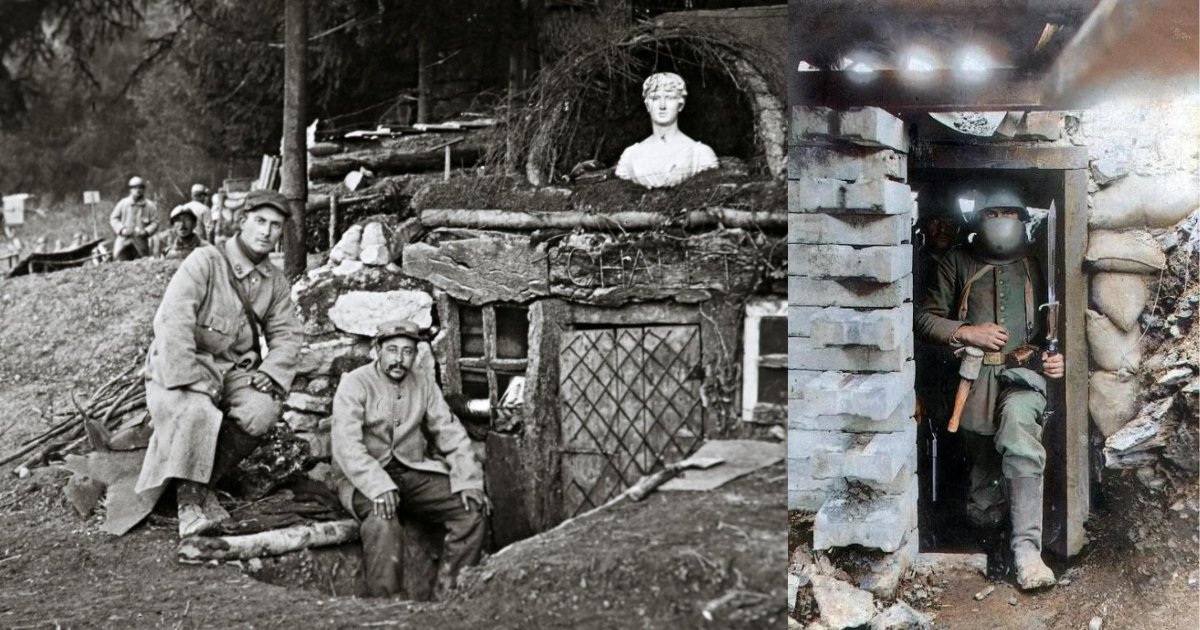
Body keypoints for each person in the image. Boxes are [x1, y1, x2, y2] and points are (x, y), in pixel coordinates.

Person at [916, 188, 1064, 591]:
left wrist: (1057, 358)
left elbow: (1061, 327)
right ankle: (992, 535)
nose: (1000, 220)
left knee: (1019, 437)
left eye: (1009, 213)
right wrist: (968, 331)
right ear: (977, 221)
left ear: (1022, 220)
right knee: (982, 497)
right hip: (973, 381)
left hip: (1023, 377)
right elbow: (925, 320)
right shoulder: (957, 262)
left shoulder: (1038, 265)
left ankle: (1027, 551)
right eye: (991, 213)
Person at [133, 189, 302, 538]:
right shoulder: (205, 261)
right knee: (197, 410)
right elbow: (173, 321)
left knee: (261, 411)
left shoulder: (275, 281)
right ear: (242, 222)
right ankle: (189, 508)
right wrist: (189, 379)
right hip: (180, 365)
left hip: (231, 371)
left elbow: (287, 335)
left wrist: (271, 372)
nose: (266, 232)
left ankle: (202, 483)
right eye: (259, 221)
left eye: (275, 225)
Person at [331, 320, 488, 597]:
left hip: (412, 471)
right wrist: (378, 486)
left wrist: (468, 480)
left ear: (416, 354)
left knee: (471, 510)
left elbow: (450, 433)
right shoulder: (355, 383)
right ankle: (387, 605)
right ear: (377, 350)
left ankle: (451, 594)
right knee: (382, 518)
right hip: (364, 479)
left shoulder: (424, 384)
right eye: (392, 350)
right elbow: (347, 446)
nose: (399, 359)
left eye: (407, 352)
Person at [614, 72, 719, 189]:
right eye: (655, 98)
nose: (662, 106)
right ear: (647, 105)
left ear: (680, 105)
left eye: (669, 98)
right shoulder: (631, 156)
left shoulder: (700, 154)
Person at [109, 176, 160, 261]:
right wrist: (122, 229)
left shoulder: (150, 206)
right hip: (123, 241)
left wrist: (146, 231)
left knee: (141, 264)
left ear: (144, 189)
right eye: (135, 187)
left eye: (141, 187)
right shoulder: (123, 203)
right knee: (119, 263)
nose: (138, 190)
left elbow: (155, 222)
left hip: (141, 243)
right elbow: (113, 218)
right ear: (130, 189)